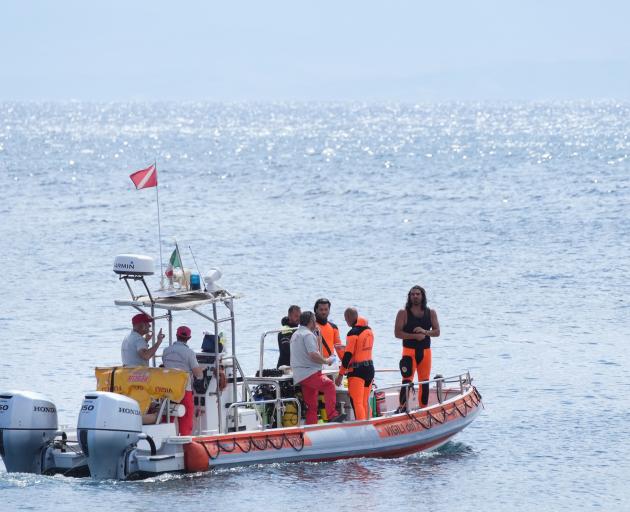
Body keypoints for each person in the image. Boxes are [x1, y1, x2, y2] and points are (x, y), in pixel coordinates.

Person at [290, 311, 346, 424]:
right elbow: (313, 354)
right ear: (311, 321)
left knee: (312, 406)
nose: (316, 322)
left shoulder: (295, 334)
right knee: (329, 385)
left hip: (300, 375)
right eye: (314, 320)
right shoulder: (308, 335)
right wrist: (326, 361)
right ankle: (332, 415)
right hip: (310, 373)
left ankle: (311, 427)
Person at [394, 285, 440, 410]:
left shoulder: (430, 312)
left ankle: (423, 408)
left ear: (422, 296)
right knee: (407, 381)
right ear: (409, 296)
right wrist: (415, 336)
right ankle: (402, 407)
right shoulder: (403, 313)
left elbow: (437, 332)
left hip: (425, 352)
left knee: (424, 382)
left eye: (418, 294)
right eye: (412, 294)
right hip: (409, 352)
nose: (415, 296)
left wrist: (424, 332)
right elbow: (397, 333)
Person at [162, 325, 204, 436]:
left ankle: (163, 439)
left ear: (176, 335)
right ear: (189, 338)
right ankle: (185, 444)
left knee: (167, 418)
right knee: (186, 419)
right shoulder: (189, 353)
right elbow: (198, 374)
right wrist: (201, 372)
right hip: (184, 390)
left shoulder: (166, 351)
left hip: (168, 390)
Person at [335, 308, 374, 421]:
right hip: (369, 369)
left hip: (357, 372)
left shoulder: (352, 333)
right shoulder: (369, 331)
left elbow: (347, 356)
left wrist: (341, 374)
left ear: (348, 317)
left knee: (357, 402)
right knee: (365, 401)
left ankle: (361, 427)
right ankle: (370, 424)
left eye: (346, 319)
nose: (346, 321)